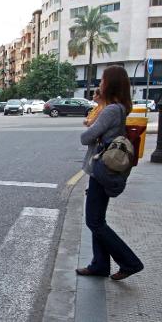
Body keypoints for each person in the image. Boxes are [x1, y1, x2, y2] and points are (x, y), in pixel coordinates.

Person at [77, 66, 143, 281]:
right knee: (98, 219)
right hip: (103, 169)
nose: (100, 84)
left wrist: (92, 126)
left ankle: (130, 262)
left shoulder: (111, 110)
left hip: (101, 170)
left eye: (103, 80)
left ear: (110, 84)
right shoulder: (120, 107)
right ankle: (100, 264)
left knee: (94, 222)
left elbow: (86, 137)